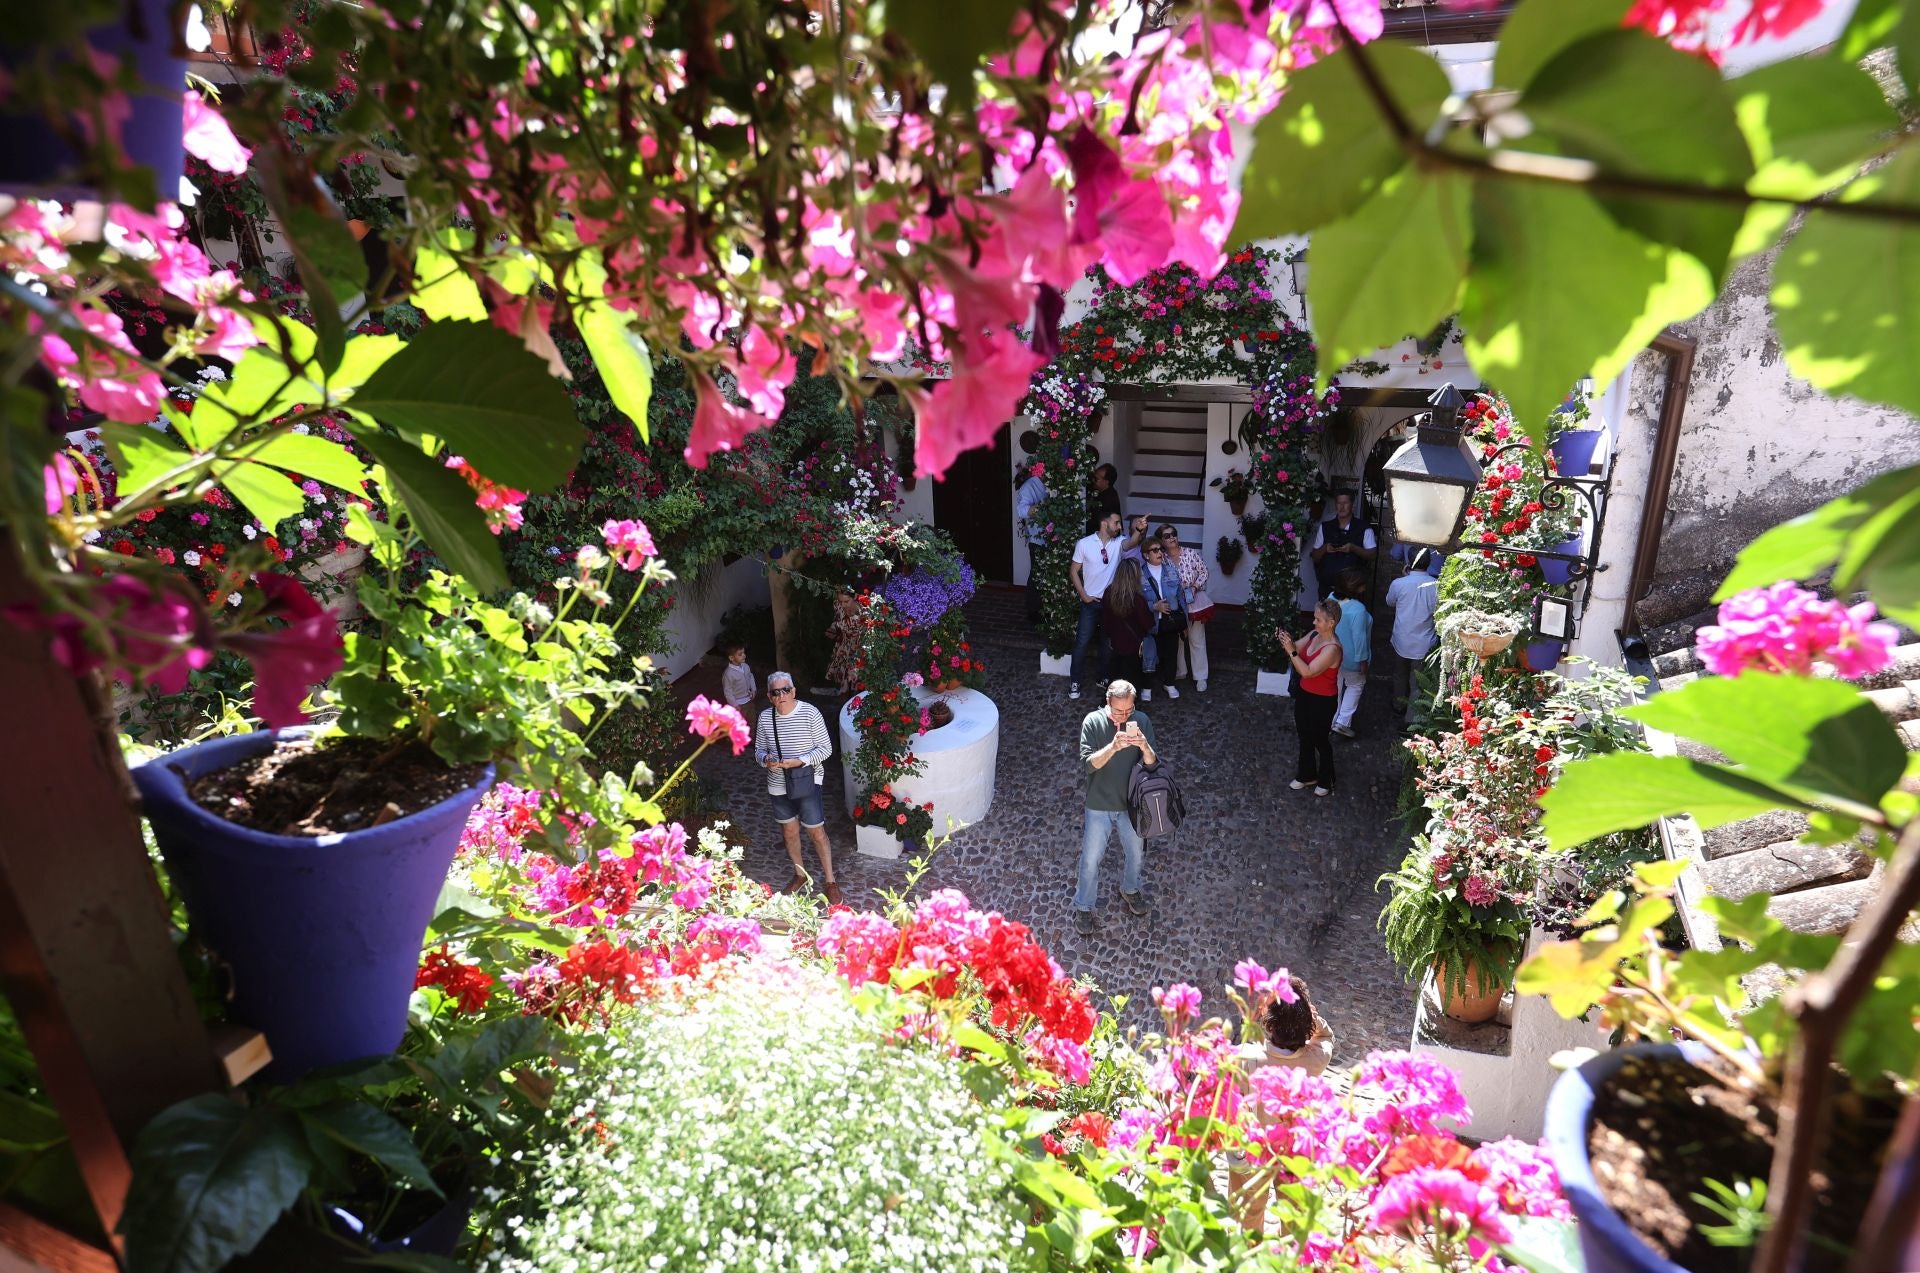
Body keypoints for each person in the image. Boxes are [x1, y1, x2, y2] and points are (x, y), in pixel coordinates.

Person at [1227, 975, 1336, 1233]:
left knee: (1248, 1215)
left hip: (1253, 1149)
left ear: (1268, 1022)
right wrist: (1312, 1018)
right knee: (1293, 1216)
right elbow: (1326, 1037)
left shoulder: (1246, 1058)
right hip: (1294, 1152)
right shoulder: (1314, 1061)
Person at [1074, 679, 1156, 935]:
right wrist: (1114, 746)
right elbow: (1088, 764)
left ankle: (1130, 889)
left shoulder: (1141, 720)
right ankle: (1084, 907)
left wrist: (1144, 746)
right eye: (1119, 710)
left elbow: (1153, 764)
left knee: (1137, 855)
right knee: (1090, 860)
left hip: (1131, 805)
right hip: (1099, 804)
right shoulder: (1092, 722)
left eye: (1128, 710)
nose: (1124, 715)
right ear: (1107, 702)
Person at [752, 671, 842, 906]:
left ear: (793, 691)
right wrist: (766, 760)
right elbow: (758, 751)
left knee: (815, 831)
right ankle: (800, 875)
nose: (781, 695)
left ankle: (830, 881)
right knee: (789, 832)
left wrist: (800, 760)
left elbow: (826, 749)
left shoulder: (810, 713)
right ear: (770, 696)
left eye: (785, 690)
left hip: (806, 781)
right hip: (778, 783)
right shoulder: (764, 718)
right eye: (775, 692)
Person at [1067, 510, 1145, 699]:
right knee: (1082, 643)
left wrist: (1139, 530)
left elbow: (1132, 542)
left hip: (1112, 604)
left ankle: (1103, 677)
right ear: (1104, 523)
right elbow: (1073, 571)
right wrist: (1084, 595)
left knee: (1108, 643)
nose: (1119, 527)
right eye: (1117, 523)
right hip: (1090, 603)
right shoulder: (1084, 544)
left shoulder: (1118, 543)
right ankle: (1075, 682)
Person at [1278, 600, 1342, 796]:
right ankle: (1306, 775)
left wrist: (1291, 651)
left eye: (1318, 620)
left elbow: (1307, 671)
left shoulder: (1332, 649)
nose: (1314, 623)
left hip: (1323, 700)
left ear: (1331, 623)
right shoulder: (1315, 634)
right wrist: (1286, 641)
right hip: (1305, 694)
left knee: (1320, 739)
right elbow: (1295, 648)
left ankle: (1326, 779)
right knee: (1304, 735)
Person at [1156, 525, 1213, 692]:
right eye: (1167, 536)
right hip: (1174, 603)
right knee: (1177, 639)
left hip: (1193, 600)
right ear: (1161, 541)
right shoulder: (1162, 558)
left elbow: (1204, 572)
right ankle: (1180, 671)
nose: (1172, 538)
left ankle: (1201, 676)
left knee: (1196, 639)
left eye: (1174, 534)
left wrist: (1195, 587)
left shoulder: (1190, 553)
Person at [1385, 548, 1441, 716]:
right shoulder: (1436, 586)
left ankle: (1398, 704)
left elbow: (1390, 602)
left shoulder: (1399, 584)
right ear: (1429, 563)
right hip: (1424, 642)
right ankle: (1411, 718)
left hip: (1401, 639)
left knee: (1399, 674)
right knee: (1418, 681)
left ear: (1409, 563)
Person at [1101, 558, 1159, 699]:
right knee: (1130, 682)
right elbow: (1148, 624)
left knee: (1115, 677)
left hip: (1115, 644)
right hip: (1133, 647)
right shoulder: (1137, 599)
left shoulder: (1109, 592)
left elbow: (1104, 620)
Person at [1330, 569, 1372, 739]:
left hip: (1333, 654)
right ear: (1356, 588)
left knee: (1336, 688)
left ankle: (1331, 719)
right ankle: (1342, 722)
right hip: (1352, 658)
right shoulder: (1358, 610)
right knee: (1355, 685)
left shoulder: (1331, 598)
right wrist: (1363, 662)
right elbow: (1360, 639)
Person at [1140, 537, 1184, 700]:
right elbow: (1136, 602)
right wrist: (1153, 606)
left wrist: (1184, 621)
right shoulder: (1140, 574)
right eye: (1155, 550)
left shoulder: (1171, 570)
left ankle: (1169, 683)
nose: (1160, 553)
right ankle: (1147, 686)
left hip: (1170, 621)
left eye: (1161, 549)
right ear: (1146, 555)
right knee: (1149, 654)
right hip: (1150, 623)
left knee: (1171, 653)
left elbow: (1180, 597)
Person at [1310, 490, 1376, 588]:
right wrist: (1325, 548)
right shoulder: (1325, 527)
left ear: (1352, 505)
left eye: (1345, 503)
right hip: (1327, 586)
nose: (1342, 507)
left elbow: (1372, 555)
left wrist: (1353, 548)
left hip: (1352, 588)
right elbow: (1315, 556)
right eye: (1339, 503)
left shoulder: (1364, 528)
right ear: (1335, 505)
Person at [1016, 466, 1049, 624]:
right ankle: (1034, 610)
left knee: (1047, 574)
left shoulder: (1052, 483)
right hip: (1038, 539)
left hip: (1052, 537)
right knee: (1037, 574)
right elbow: (1022, 510)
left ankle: (1046, 608)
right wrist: (1038, 509)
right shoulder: (1030, 486)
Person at [825, 592, 864, 694]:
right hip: (844, 646)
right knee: (843, 680)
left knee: (856, 680)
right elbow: (837, 620)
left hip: (859, 647)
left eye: (846, 601)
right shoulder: (838, 605)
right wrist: (832, 630)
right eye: (840, 601)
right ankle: (844, 702)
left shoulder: (864, 610)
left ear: (854, 597)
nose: (843, 605)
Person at [720, 641, 756, 719]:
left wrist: (753, 689)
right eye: (740, 654)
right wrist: (734, 705)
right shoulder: (728, 674)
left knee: (752, 720)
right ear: (731, 658)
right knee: (741, 724)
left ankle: (753, 731)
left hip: (749, 699)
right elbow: (727, 691)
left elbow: (750, 676)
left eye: (744, 653)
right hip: (739, 704)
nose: (744, 656)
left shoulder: (745, 666)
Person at [1086, 462, 1122, 533]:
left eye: (1096, 479)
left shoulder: (1110, 498)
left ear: (1106, 482)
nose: (1093, 480)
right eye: (1093, 477)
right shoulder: (1097, 489)